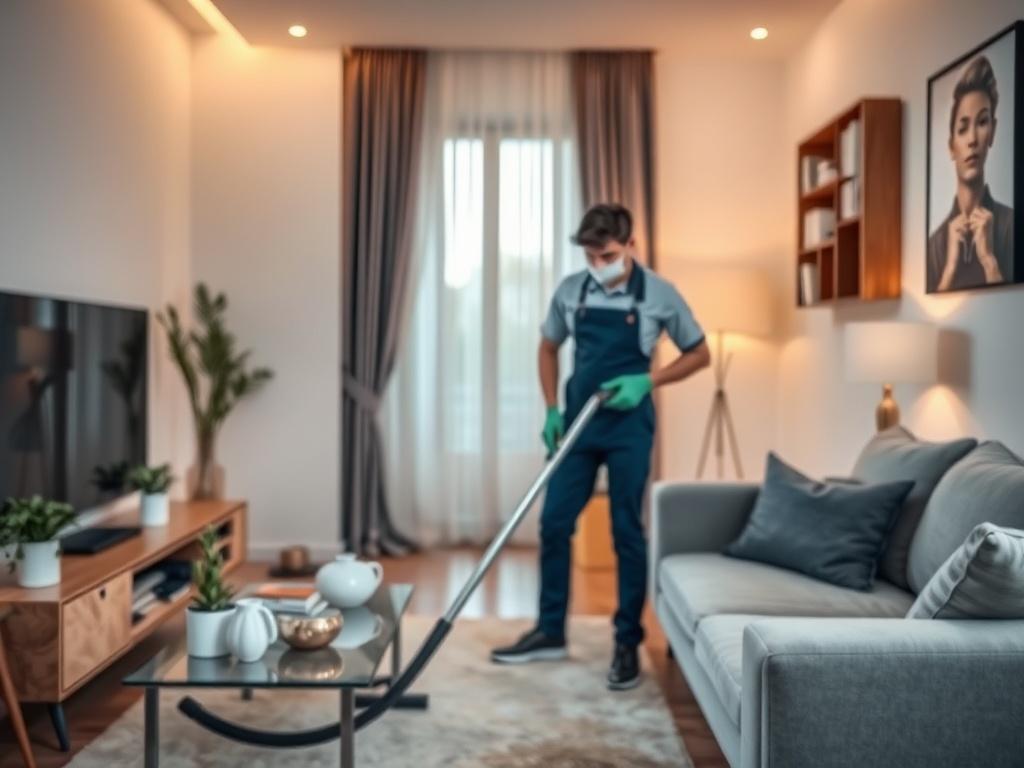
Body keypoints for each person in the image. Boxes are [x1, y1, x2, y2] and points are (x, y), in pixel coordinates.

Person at [490, 203, 710, 690]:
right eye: (590, 255)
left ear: (630, 245)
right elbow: (548, 346)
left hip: (629, 426)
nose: (597, 264)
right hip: (578, 426)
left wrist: (648, 381)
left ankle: (627, 643)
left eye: (606, 254)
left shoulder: (659, 295)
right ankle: (550, 631)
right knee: (553, 523)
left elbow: (700, 353)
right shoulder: (571, 291)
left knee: (626, 533)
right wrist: (551, 409)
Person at [927, 54, 1014, 293]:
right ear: (951, 146)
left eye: (982, 122)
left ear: (993, 132)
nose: (973, 139)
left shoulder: (1013, 226)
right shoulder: (934, 245)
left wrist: (989, 261)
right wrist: (949, 270)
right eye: (963, 128)